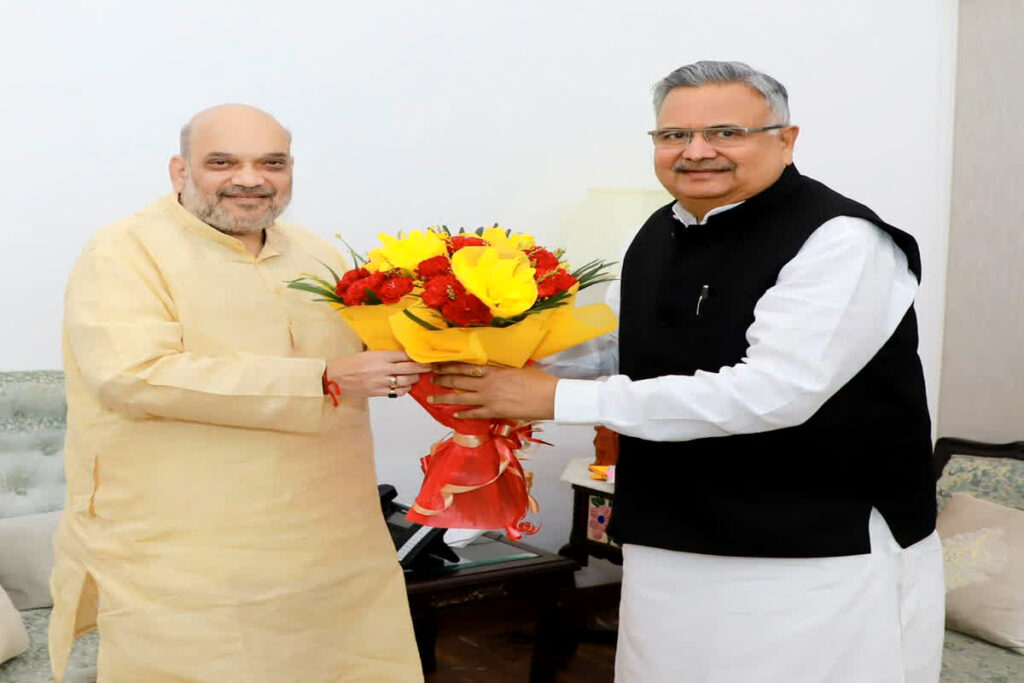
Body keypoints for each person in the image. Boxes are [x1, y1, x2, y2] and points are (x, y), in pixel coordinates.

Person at [431, 61, 943, 682]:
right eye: (674, 136)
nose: (696, 152)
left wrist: (556, 398)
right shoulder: (657, 229)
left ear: (786, 139)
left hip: (812, 548)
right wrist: (477, 361)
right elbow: (613, 342)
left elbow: (771, 395)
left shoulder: (842, 240)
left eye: (726, 132)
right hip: (670, 531)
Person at [50, 104, 429, 682]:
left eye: (270, 163)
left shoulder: (318, 254)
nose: (249, 179)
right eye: (222, 162)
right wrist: (321, 379)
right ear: (180, 171)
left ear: (290, 170)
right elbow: (131, 375)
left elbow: (376, 352)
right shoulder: (124, 251)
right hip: (190, 548)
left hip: (329, 542)